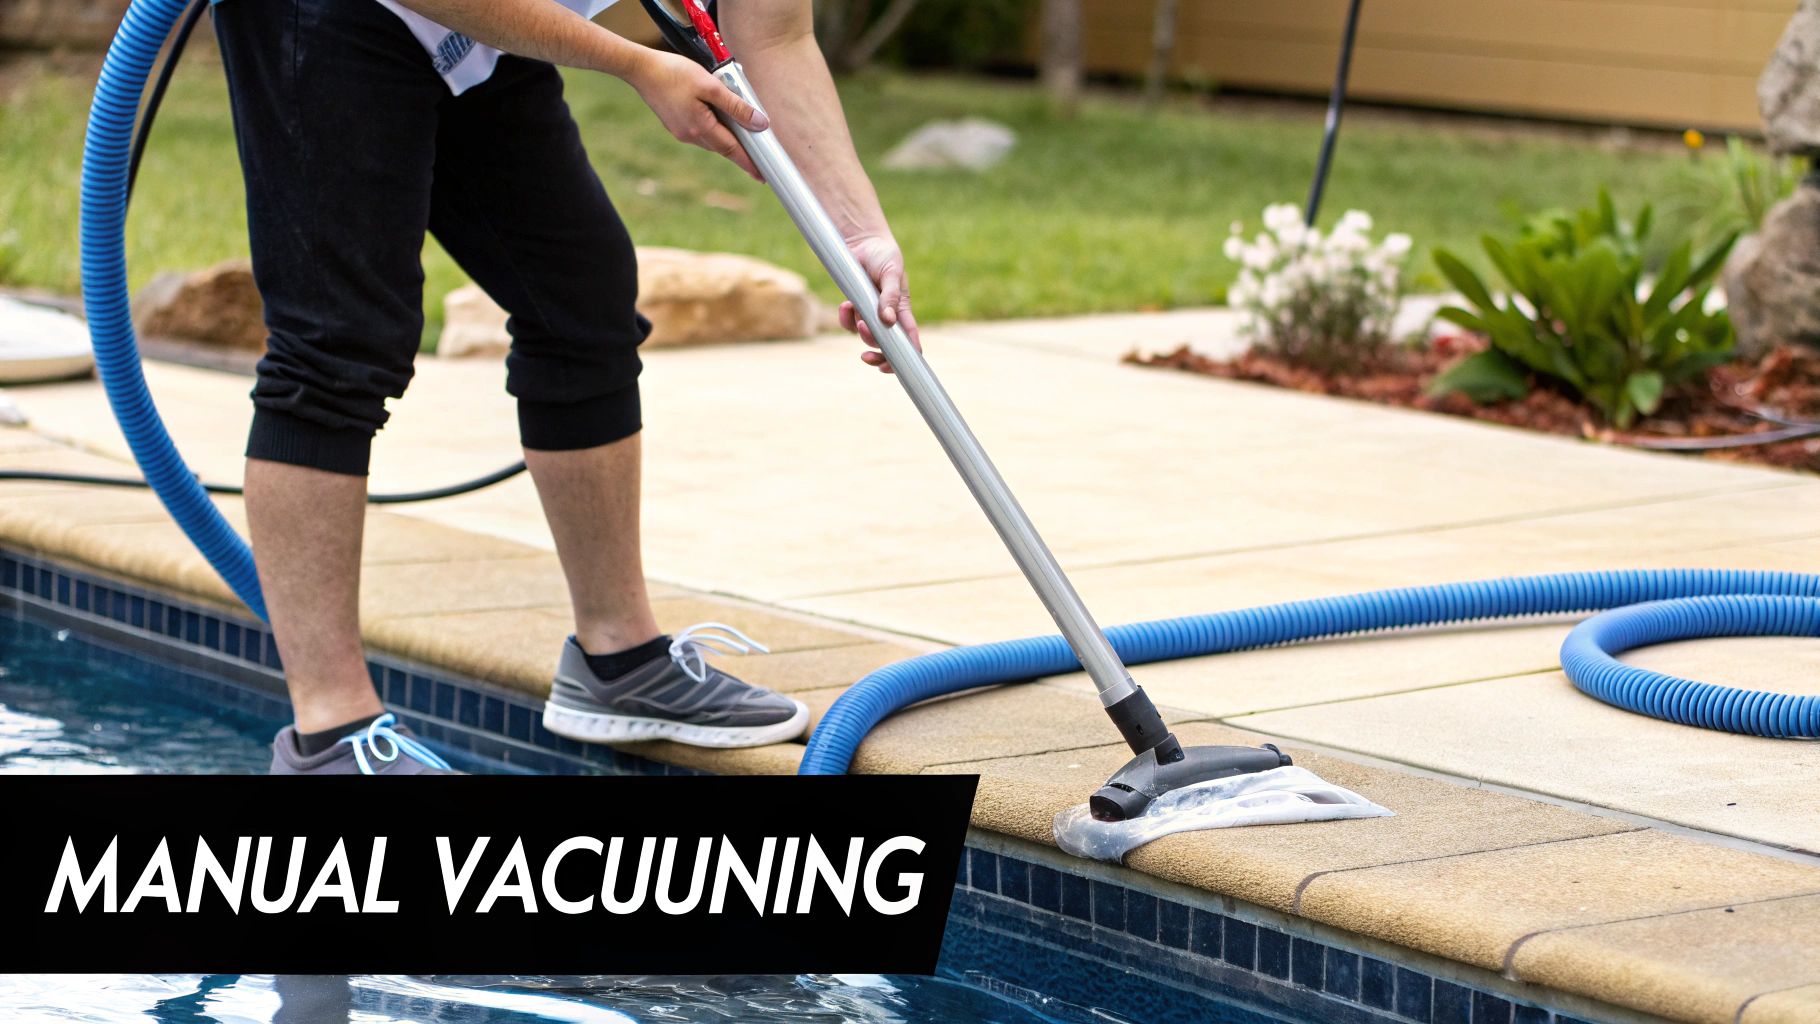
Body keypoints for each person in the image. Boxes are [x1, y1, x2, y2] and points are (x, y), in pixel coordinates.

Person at [209, 0, 920, 774]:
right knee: (338, 343)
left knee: (580, 301)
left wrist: (860, 236)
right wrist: (634, 62)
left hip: (486, 22)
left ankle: (617, 662)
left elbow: (775, 35)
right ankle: (330, 735)